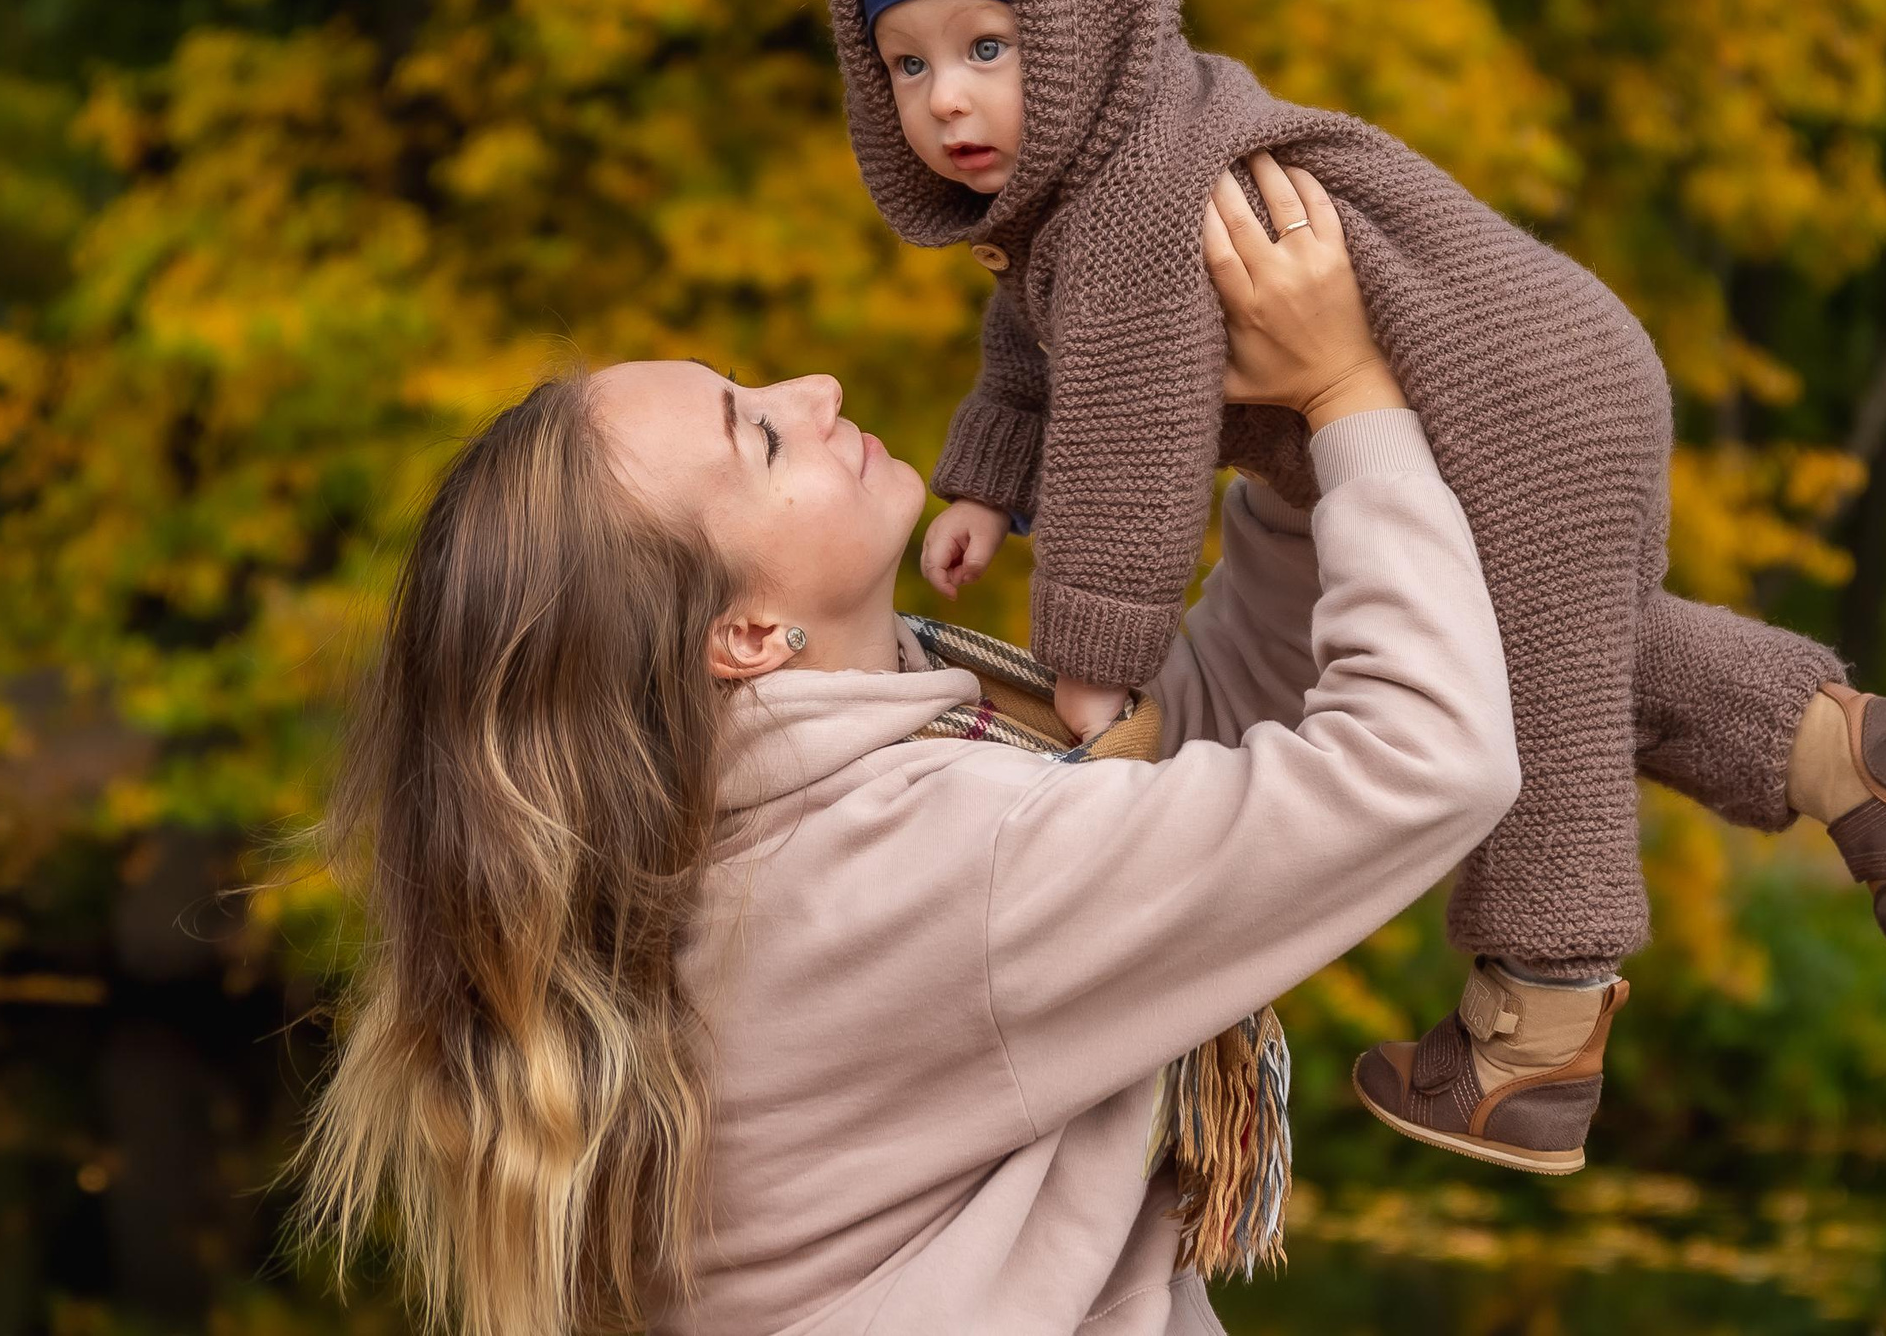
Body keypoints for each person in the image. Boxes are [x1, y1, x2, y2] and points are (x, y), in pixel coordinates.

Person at [828, 0, 1886, 1172]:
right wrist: (985, 485)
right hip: (1543, 364)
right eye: (908, 64)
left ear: (1082, 30)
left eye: (989, 48)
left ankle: (1533, 1041)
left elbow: (1131, 457)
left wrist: (1097, 678)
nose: (948, 98)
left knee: (1541, 704)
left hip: (1507, 395)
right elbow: (1035, 354)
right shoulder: (1082, 193)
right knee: (1566, 649)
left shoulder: (1137, 198)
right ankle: (1854, 755)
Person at [297, 163, 1521, 1335]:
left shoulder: (789, 820)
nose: (815, 390)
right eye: (761, 438)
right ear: (746, 634)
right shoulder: (924, 862)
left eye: (753, 385)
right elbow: (1424, 762)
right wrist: (1350, 394)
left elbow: (1181, 765)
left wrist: (1290, 466)